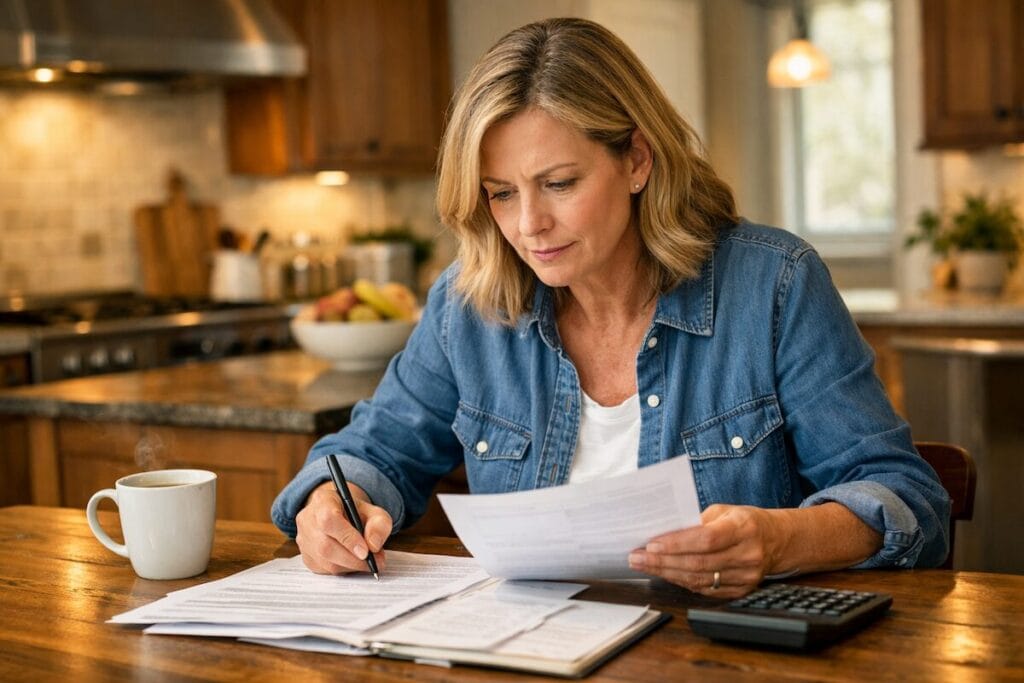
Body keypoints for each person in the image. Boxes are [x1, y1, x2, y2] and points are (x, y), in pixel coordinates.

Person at [272, 17, 950, 598]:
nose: (529, 223)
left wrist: (780, 540)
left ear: (637, 160)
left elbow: (906, 497)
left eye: (558, 183)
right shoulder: (469, 303)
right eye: (501, 193)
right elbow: (370, 453)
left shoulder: (773, 286)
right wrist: (333, 502)